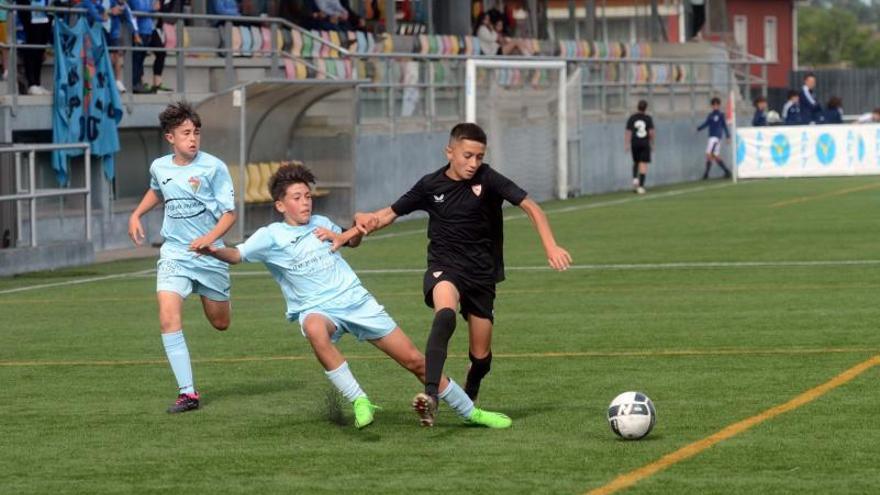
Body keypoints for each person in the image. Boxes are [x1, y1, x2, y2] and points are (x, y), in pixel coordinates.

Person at [195, 163, 513, 429]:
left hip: (357, 302)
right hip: (317, 308)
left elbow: (350, 243)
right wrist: (213, 250)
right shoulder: (270, 236)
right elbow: (237, 255)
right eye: (297, 197)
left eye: (308, 196)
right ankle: (360, 399)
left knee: (416, 362)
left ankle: (472, 413)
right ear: (280, 205)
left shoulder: (320, 223)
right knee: (315, 328)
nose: (306, 202)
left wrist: (352, 233)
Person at [353, 123, 572, 426]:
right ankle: (430, 395)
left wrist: (551, 246)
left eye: (479, 157)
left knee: (481, 359)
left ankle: (471, 391)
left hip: (482, 276)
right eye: (467, 155)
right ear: (450, 151)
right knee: (445, 314)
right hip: (446, 267)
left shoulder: (489, 178)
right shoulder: (430, 185)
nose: (473, 163)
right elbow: (389, 214)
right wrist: (355, 227)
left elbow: (531, 206)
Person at [128, 102, 237, 414]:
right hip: (175, 253)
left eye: (196, 133)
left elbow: (230, 215)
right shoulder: (160, 167)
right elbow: (157, 190)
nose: (193, 139)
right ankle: (188, 393)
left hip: (211, 255)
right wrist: (136, 213)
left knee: (220, 323)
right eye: (186, 133)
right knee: (167, 316)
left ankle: (221, 296)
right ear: (170, 138)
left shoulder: (214, 167)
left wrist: (210, 239)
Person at [15, 0, 52, 95]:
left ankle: (37, 83)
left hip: (44, 15)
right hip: (30, 14)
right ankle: (31, 84)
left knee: (40, 50)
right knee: (31, 50)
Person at [696, 97, 731, 180]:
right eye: (713, 105)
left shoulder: (721, 115)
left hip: (716, 137)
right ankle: (727, 171)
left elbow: (724, 126)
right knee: (714, 155)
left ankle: (706, 175)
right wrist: (699, 128)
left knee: (709, 154)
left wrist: (728, 136)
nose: (715, 106)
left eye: (717, 105)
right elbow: (706, 123)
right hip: (711, 137)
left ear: (719, 105)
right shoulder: (710, 115)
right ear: (712, 106)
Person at [624, 99, 654, 194]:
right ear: (646, 108)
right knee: (643, 163)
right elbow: (651, 132)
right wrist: (652, 143)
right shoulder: (648, 118)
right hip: (644, 142)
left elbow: (628, 132)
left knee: (636, 162)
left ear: (637, 107)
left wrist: (627, 144)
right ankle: (641, 186)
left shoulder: (632, 118)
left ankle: (635, 180)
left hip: (635, 142)